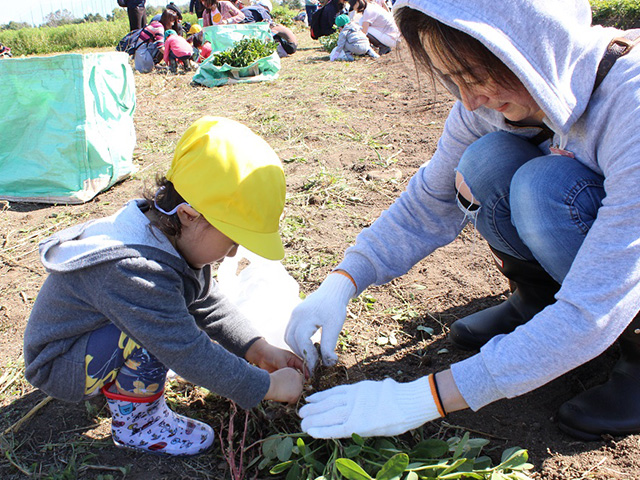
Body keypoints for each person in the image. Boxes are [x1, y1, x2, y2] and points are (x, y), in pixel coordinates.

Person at [286, 0, 640, 441]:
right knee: (485, 163)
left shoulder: (631, 104)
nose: (469, 102)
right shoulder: (487, 105)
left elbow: (599, 301)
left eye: (474, 78)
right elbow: (428, 200)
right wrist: (342, 281)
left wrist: (427, 398)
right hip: (598, 264)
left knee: (541, 187)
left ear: (527, 49)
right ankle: (540, 302)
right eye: (454, 81)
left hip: (624, 275)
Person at [24, 117, 306, 456]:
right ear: (189, 214)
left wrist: (256, 348)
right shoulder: (136, 269)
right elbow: (186, 350)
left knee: (163, 325)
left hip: (88, 342)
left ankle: (123, 384)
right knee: (160, 337)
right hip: (59, 364)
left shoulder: (168, 235)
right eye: (232, 239)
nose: (233, 252)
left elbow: (205, 300)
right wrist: (266, 386)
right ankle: (139, 424)